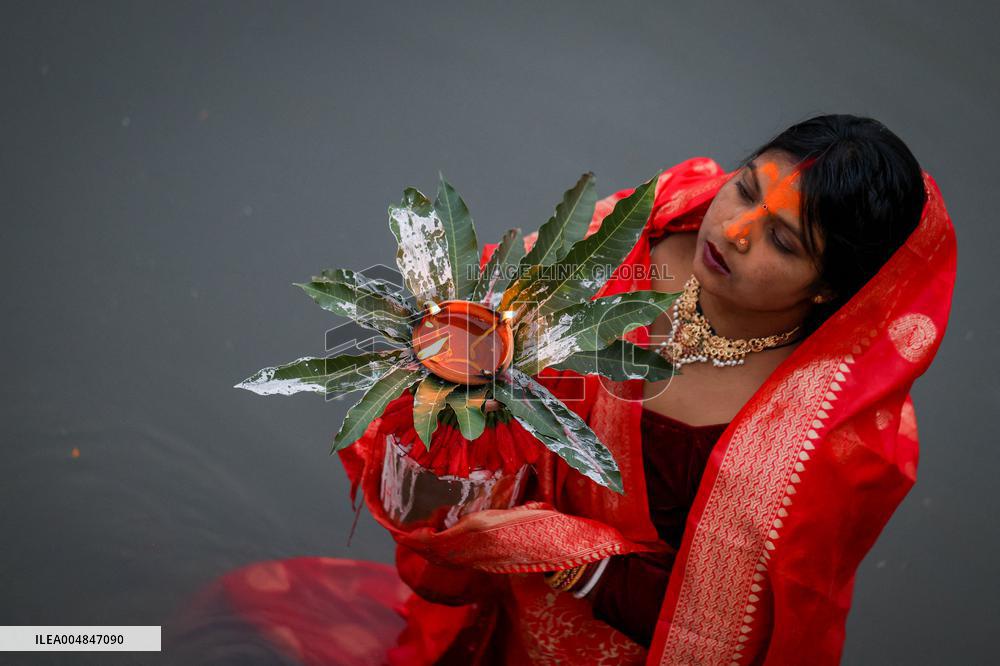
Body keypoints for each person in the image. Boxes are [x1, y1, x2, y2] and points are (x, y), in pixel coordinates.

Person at [173, 114, 957, 665]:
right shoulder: (639, 240)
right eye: (748, 188)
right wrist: (446, 399)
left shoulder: (836, 439)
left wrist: (572, 558)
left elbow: (747, 634)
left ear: (828, 290)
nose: (736, 230)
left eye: (784, 242)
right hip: (502, 609)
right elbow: (504, 339)